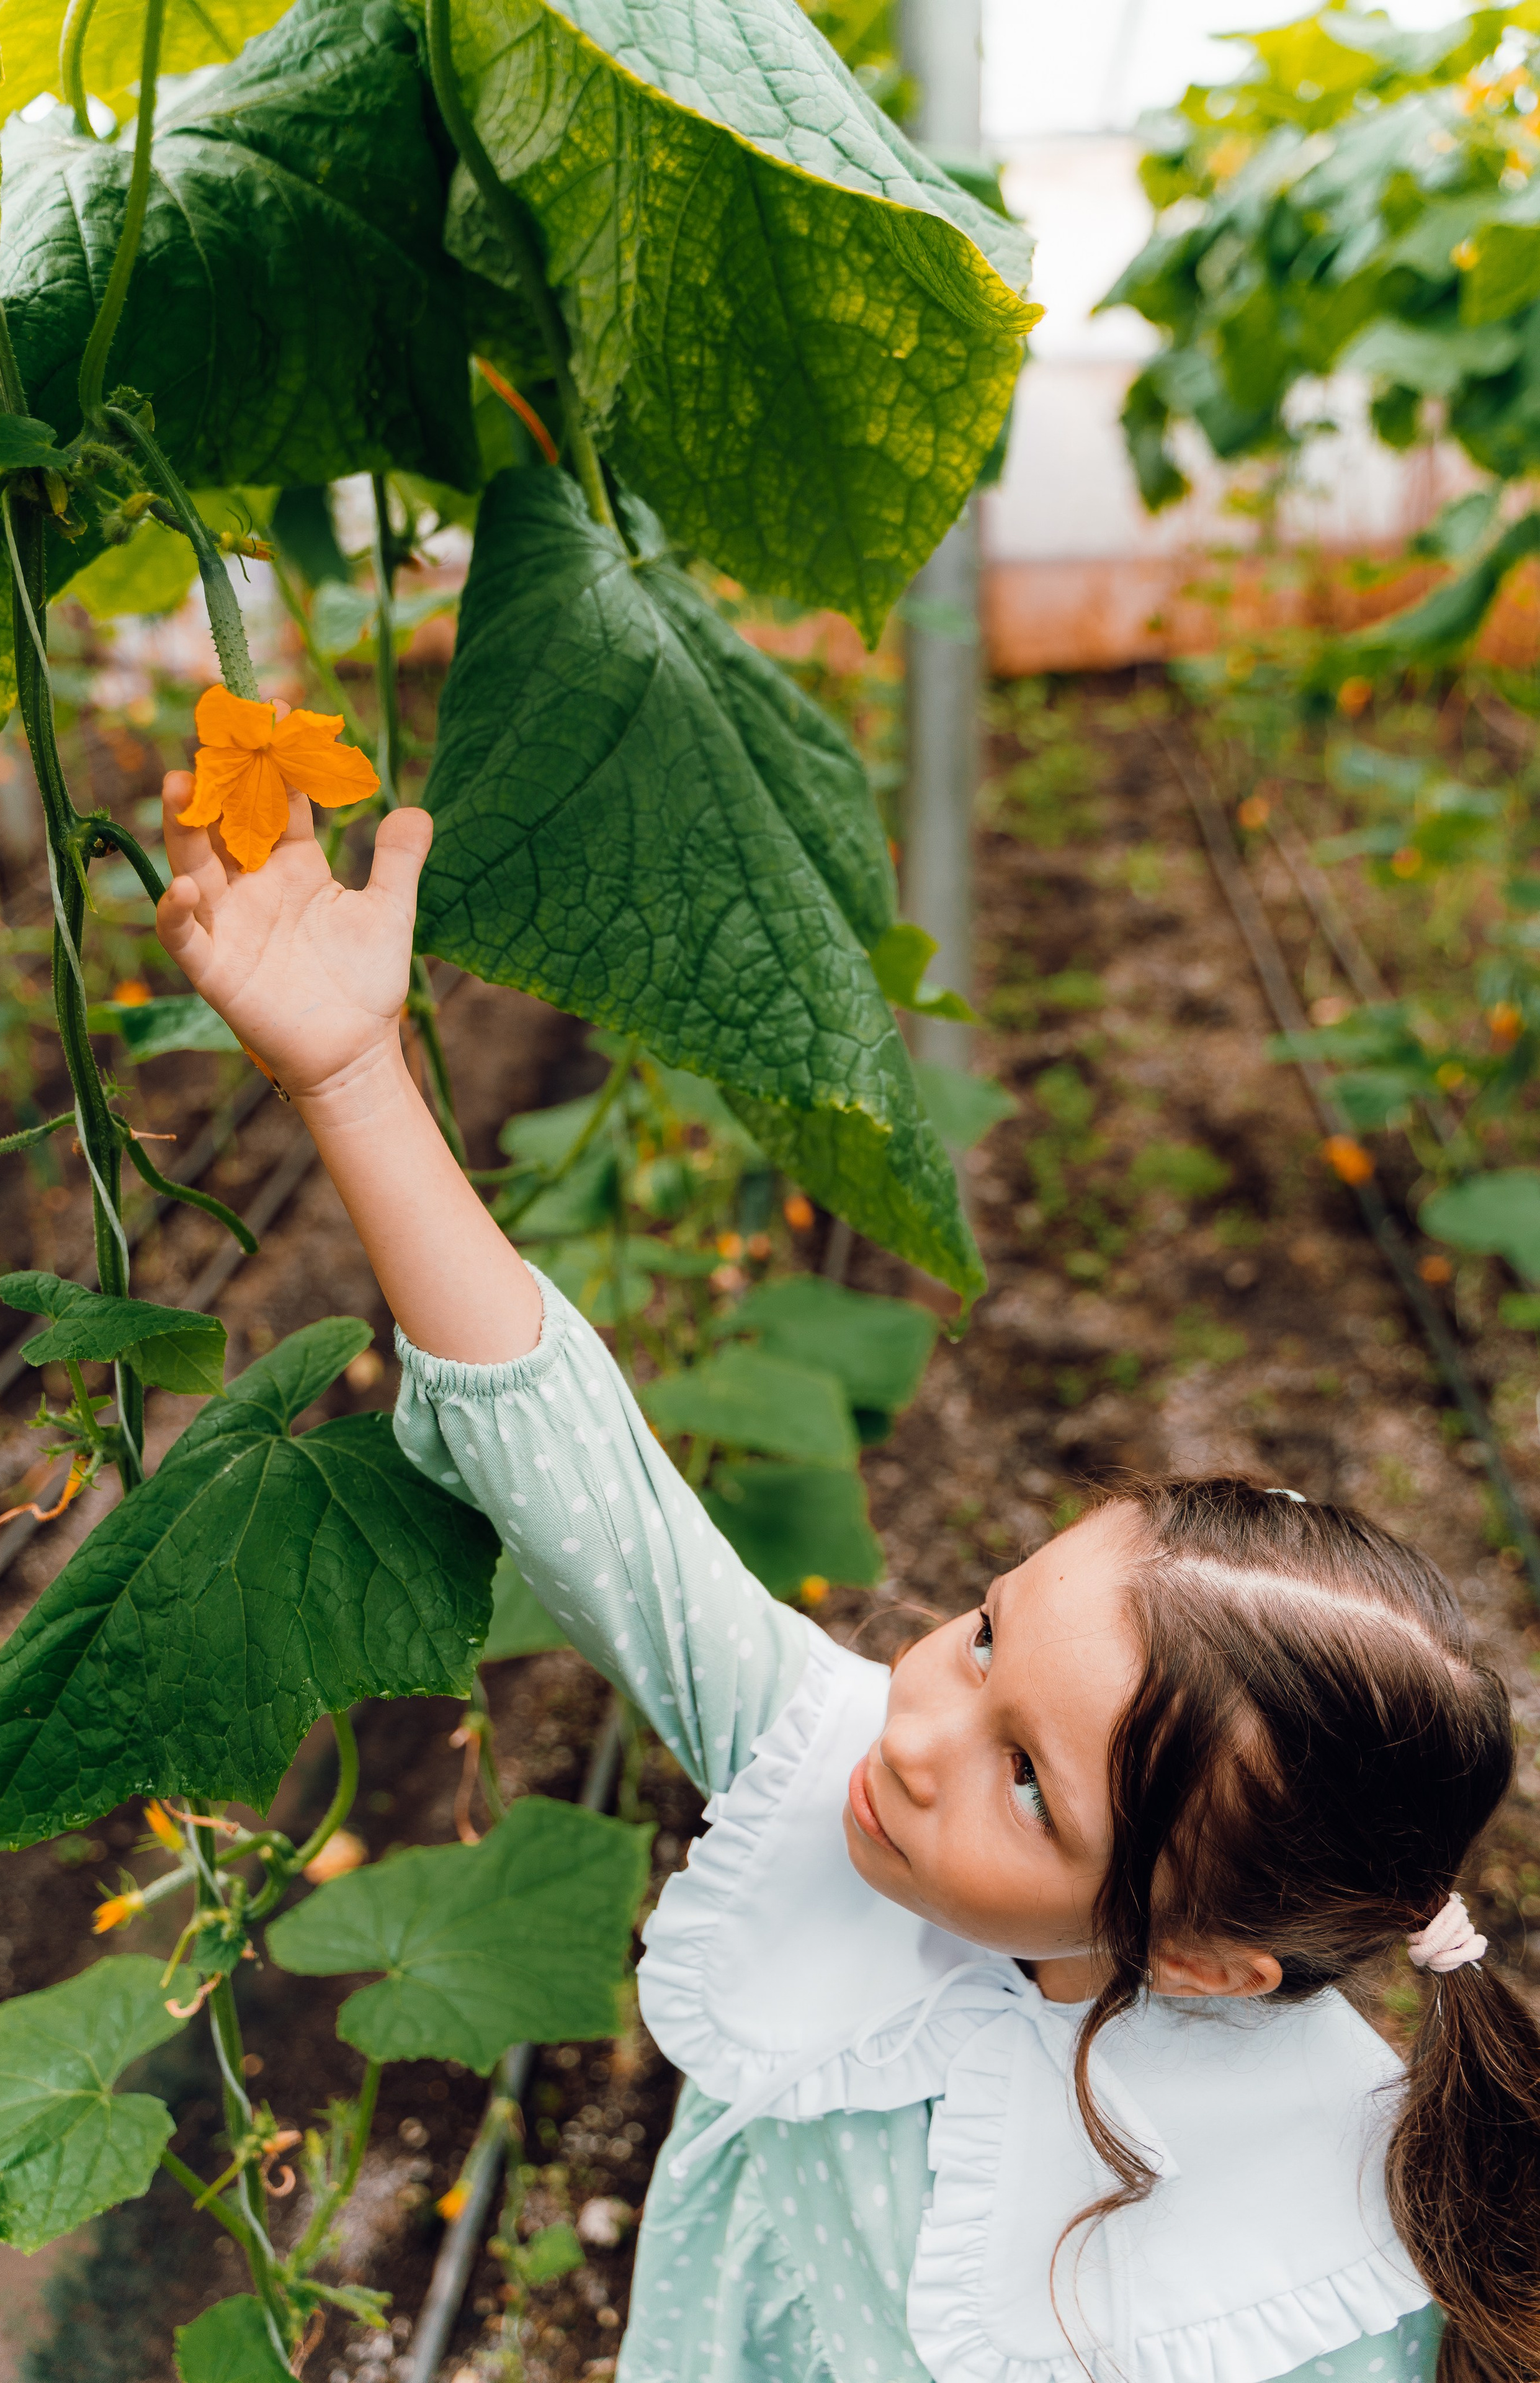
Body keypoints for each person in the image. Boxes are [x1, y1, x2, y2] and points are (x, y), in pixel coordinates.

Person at [155, 769, 1540, 2383]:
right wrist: (351, 1077)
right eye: (983, 1635)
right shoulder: (827, 1764)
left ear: (1207, 1963)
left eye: (1029, 1784)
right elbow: (589, 1489)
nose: (918, 1731)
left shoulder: (1304, 2275)